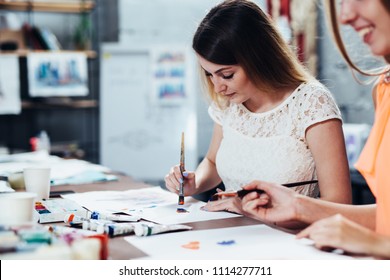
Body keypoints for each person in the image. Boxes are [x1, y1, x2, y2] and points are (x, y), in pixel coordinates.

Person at [164, 0, 351, 214]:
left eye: (227, 75)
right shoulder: (229, 104)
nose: (217, 87)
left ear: (259, 59)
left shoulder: (311, 103)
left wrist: (253, 209)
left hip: (290, 239)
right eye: (209, 74)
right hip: (228, 234)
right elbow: (213, 162)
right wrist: (193, 183)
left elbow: (339, 204)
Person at [242, 0, 390, 259]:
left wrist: (378, 245)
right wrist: (298, 206)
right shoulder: (384, 89)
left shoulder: (312, 101)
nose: (345, 16)